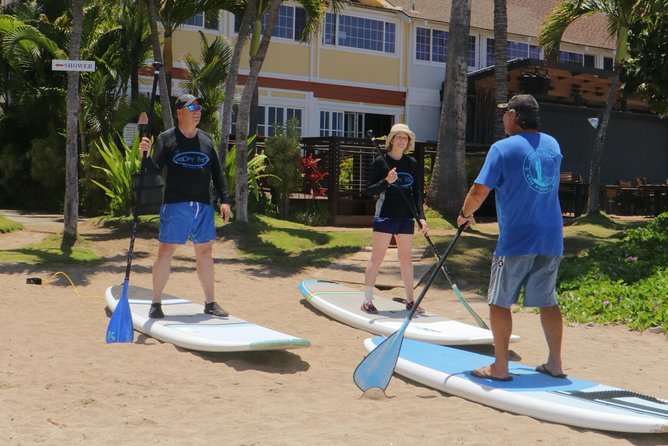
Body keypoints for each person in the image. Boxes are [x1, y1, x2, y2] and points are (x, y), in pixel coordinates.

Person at [457, 94, 566, 381]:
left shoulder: (501, 148)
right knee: (547, 300)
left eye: (506, 113)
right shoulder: (553, 144)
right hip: (551, 237)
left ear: (515, 117)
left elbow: (480, 190)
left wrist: (465, 213)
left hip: (518, 238)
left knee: (499, 301)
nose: (503, 118)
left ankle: (500, 367)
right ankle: (555, 363)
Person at [138, 94, 232, 319]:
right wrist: (145, 155)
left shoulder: (207, 140)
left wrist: (225, 200)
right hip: (175, 204)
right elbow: (153, 171)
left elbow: (217, 173)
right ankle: (156, 303)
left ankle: (210, 303)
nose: (198, 110)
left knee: (205, 252)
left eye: (199, 107)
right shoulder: (166, 138)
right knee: (166, 251)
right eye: (192, 107)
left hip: (203, 206)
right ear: (180, 112)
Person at [362, 123, 429, 314]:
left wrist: (421, 218)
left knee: (406, 259)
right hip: (385, 214)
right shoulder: (380, 162)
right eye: (399, 137)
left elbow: (416, 193)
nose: (402, 140)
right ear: (392, 140)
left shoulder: (412, 164)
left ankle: (410, 301)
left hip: (406, 216)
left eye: (405, 138)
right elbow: (368, 190)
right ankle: (367, 300)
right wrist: (386, 182)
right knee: (377, 258)